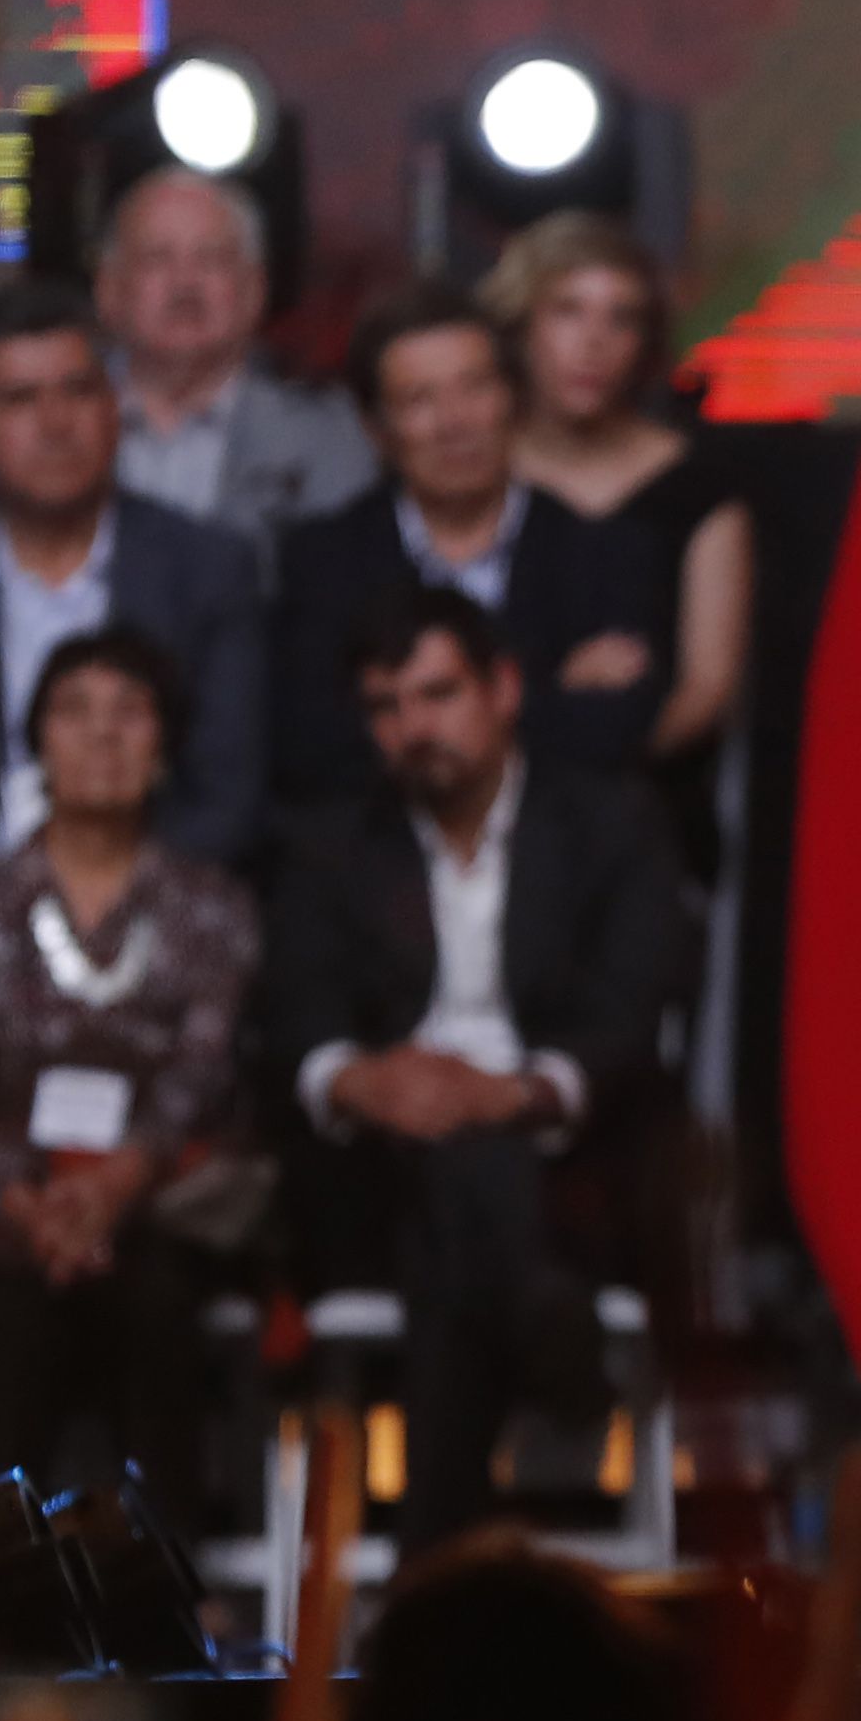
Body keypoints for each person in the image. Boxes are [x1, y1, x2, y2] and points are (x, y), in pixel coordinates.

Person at [259, 589, 683, 1553]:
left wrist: (520, 1091)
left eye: (437, 693)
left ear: (503, 689)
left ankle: (433, 1551)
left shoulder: (609, 823)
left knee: (471, 1177)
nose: (412, 728)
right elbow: (294, 1013)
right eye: (385, 707)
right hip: (379, 1170)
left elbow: (632, 1005)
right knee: (456, 1177)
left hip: (562, 1167)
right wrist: (358, 1081)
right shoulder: (332, 844)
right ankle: (543, 1328)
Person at [0, 626, 255, 1499]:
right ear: (37, 745)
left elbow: (200, 1073)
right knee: (3, 1299)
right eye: (74, 712)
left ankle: (165, 1589)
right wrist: (34, 1207)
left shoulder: (210, 907)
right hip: (6, 1207)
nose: (103, 735)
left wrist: (108, 1191)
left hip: (156, 1199)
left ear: (164, 746)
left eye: (129, 713)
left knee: (152, 1288)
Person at [0, 279, 265, 882]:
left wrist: (105, 892)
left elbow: (228, 798)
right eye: (20, 399)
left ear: (115, 412)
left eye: (79, 391)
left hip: (158, 912)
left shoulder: (207, 569)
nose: (56, 423)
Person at [268, 285, 581, 807]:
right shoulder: (322, 560)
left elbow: (611, 735)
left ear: (513, 400)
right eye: (419, 400)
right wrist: (542, 707)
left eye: (475, 388)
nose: (454, 422)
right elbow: (310, 746)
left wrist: (401, 725)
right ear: (376, 430)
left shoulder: (597, 550)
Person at [484, 214, 752, 803]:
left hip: (650, 808)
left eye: (621, 318)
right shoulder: (472, 472)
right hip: (481, 808)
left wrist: (591, 765)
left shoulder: (697, 488)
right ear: (521, 322)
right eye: (568, 311)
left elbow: (708, 691)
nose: (593, 342)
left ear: (646, 342)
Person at [98, 165, 374, 545]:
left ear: (254, 289)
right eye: (157, 258)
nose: (184, 284)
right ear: (108, 289)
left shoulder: (327, 434)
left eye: (211, 259)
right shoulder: (46, 418)